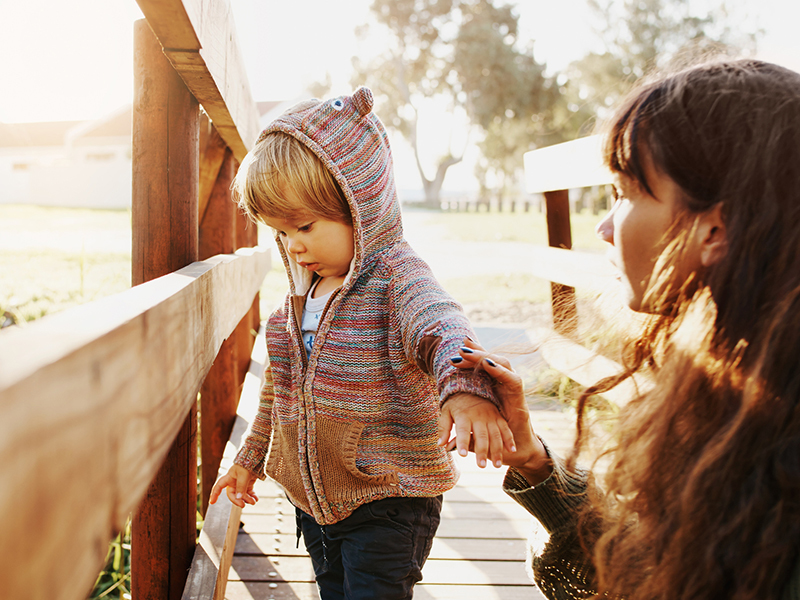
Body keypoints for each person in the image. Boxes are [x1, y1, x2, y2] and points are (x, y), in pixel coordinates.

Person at [447, 58, 800, 600]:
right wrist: (534, 462)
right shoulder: (735, 373)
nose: (604, 225)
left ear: (716, 230)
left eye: (625, 192)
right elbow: (654, 566)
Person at [208, 87, 514, 600]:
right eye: (280, 232)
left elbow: (441, 323)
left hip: (390, 501)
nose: (293, 245)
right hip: (315, 503)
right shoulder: (297, 299)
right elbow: (278, 396)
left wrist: (462, 389)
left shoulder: (396, 278)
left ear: (360, 205)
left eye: (304, 226)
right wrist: (250, 458)